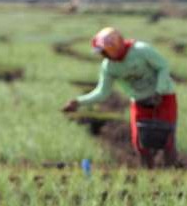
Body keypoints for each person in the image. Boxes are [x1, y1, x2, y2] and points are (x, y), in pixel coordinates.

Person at [63, 27, 178, 168]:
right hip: (139, 101)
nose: (102, 55)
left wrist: (159, 91)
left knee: (167, 139)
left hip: (164, 98)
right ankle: (150, 174)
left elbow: (163, 66)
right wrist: (78, 102)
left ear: (114, 46)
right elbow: (102, 92)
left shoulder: (141, 51)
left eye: (104, 51)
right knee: (140, 143)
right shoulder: (109, 67)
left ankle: (171, 173)